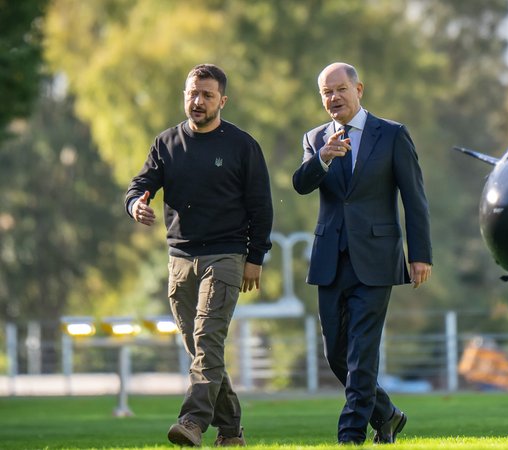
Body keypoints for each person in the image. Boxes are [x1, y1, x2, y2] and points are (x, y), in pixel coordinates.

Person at [125, 63, 273, 447]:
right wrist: (135, 205)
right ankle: (231, 430)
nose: (198, 101)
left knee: (207, 340)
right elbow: (141, 185)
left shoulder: (242, 145)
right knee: (201, 348)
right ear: (184, 95)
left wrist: (255, 257)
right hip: (179, 259)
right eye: (193, 93)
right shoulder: (166, 144)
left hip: (225, 255)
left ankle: (191, 421)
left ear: (222, 100)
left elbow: (261, 207)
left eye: (207, 95)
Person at [293, 62, 432, 444]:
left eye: (340, 89)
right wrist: (322, 158)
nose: (333, 97)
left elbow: (414, 199)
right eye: (326, 92)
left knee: (362, 350)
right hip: (329, 259)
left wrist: (420, 254)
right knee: (336, 352)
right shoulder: (316, 138)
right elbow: (300, 184)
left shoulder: (391, 135)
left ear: (359, 89)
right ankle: (386, 414)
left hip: (377, 257)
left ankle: (351, 432)